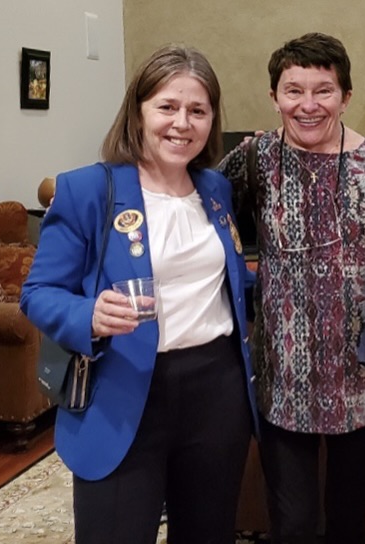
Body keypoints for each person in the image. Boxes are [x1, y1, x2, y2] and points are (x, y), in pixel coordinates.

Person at [20, 44, 256, 544]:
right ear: (138, 111)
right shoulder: (88, 190)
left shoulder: (215, 190)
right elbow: (38, 292)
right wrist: (88, 314)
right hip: (122, 387)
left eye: (197, 110)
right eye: (167, 107)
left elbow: (227, 282)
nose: (182, 123)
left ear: (212, 120)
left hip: (216, 391)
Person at [217, 32, 365, 544]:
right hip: (283, 383)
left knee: (350, 521)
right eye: (293, 90)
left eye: (323, 91)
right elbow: (197, 214)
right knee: (292, 524)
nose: (308, 105)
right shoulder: (253, 159)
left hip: (364, 383)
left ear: (346, 97)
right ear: (274, 96)